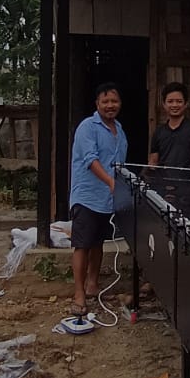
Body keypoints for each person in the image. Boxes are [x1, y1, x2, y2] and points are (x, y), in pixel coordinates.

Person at [68, 82, 127, 316]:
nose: (110, 106)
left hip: (106, 199)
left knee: (98, 242)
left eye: (114, 101)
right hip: (86, 195)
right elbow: (91, 160)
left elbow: (120, 164)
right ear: (97, 104)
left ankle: (93, 284)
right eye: (105, 102)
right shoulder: (87, 127)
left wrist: (119, 185)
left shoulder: (119, 130)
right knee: (81, 244)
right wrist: (111, 182)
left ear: (119, 104)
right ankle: (79, 294)